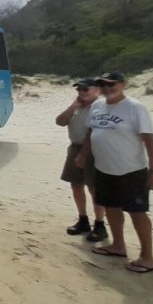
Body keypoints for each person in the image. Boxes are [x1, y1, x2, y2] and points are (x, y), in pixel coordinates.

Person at [76, 72, 153, 273]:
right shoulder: (97, 106)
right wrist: (82, 154)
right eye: (102, 84)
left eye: (110, 84)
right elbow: (91, 131)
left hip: (131, 170)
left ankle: (147, 258)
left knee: (137, 213)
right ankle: (118, 246)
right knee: (111, 208)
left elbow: (149, 139)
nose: (106, 88)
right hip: (104, 169)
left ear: (122, 85)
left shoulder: (135, 107)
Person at [55, 78, 106, 240]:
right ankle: (83, 219)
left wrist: (84, 154)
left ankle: (99, 224)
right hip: (74, 147)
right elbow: (60, 121)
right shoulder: (76, 107)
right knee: (76, 185)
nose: (82, 93)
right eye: (79, 90)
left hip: (93, 150)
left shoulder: (100, 107)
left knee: (94, 188)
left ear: (96, 90)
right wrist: (74, 106)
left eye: (86, 89)